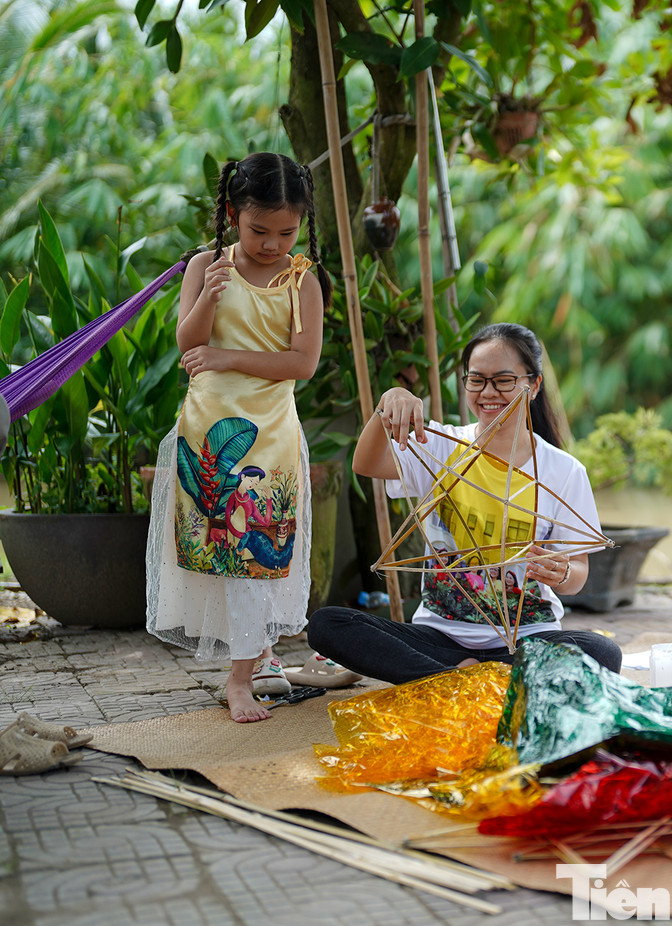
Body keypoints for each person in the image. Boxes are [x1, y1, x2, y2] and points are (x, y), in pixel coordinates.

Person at [306, 322, 622, 682]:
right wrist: (387, 404)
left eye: (503, 380)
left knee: (603, 652)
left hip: (526, 641)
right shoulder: (439, 445)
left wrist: (563, 572)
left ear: (533, 385)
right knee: (327, 624)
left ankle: (451, 681)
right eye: (477, 380)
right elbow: (365, 464)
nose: (489, 392)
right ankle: (471, 679)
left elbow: (578, 573)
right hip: (438, 638)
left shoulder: (563, 470)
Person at [146, 152, 328, 723]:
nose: (272, 244)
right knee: (216, 548)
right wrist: (207, 297)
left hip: (269, 433)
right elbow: (187, 341)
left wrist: (225, 355)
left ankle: (239, 679)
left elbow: (302, 363)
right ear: (231, 213)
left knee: (258, 551)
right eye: (258, 230)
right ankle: (256, 656)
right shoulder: (206, 265)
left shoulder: (301, 281)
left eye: (286, 232)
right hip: (208, 430)